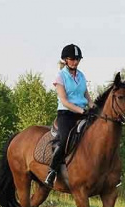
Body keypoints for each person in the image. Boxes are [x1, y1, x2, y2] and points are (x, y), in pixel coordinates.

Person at [44, 44, 94, 187]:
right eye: (72, 59)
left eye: (77, 59)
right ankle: (52, 171)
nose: (75, 62)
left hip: (83, 112)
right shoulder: (60, 76)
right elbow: (64, 101)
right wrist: (81, 110)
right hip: (66, 114)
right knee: (64, 139)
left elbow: (87, 97)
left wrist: (94, 108)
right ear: (66, 60)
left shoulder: (81, 75)